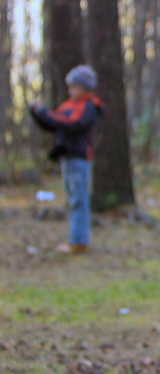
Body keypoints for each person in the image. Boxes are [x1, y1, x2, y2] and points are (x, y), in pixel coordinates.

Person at [29, 64, 103, 254]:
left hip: (80, 158)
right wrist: (38, 113)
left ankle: (79, 242)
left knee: (78, 198)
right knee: (72, 199)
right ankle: (76, 239)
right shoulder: (69, 105)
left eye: (74, 86)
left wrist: (46, 113)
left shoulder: (89, 106)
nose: (70, 90)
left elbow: (72, 124)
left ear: (84, 87)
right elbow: (54, 123)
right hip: (67, 157)